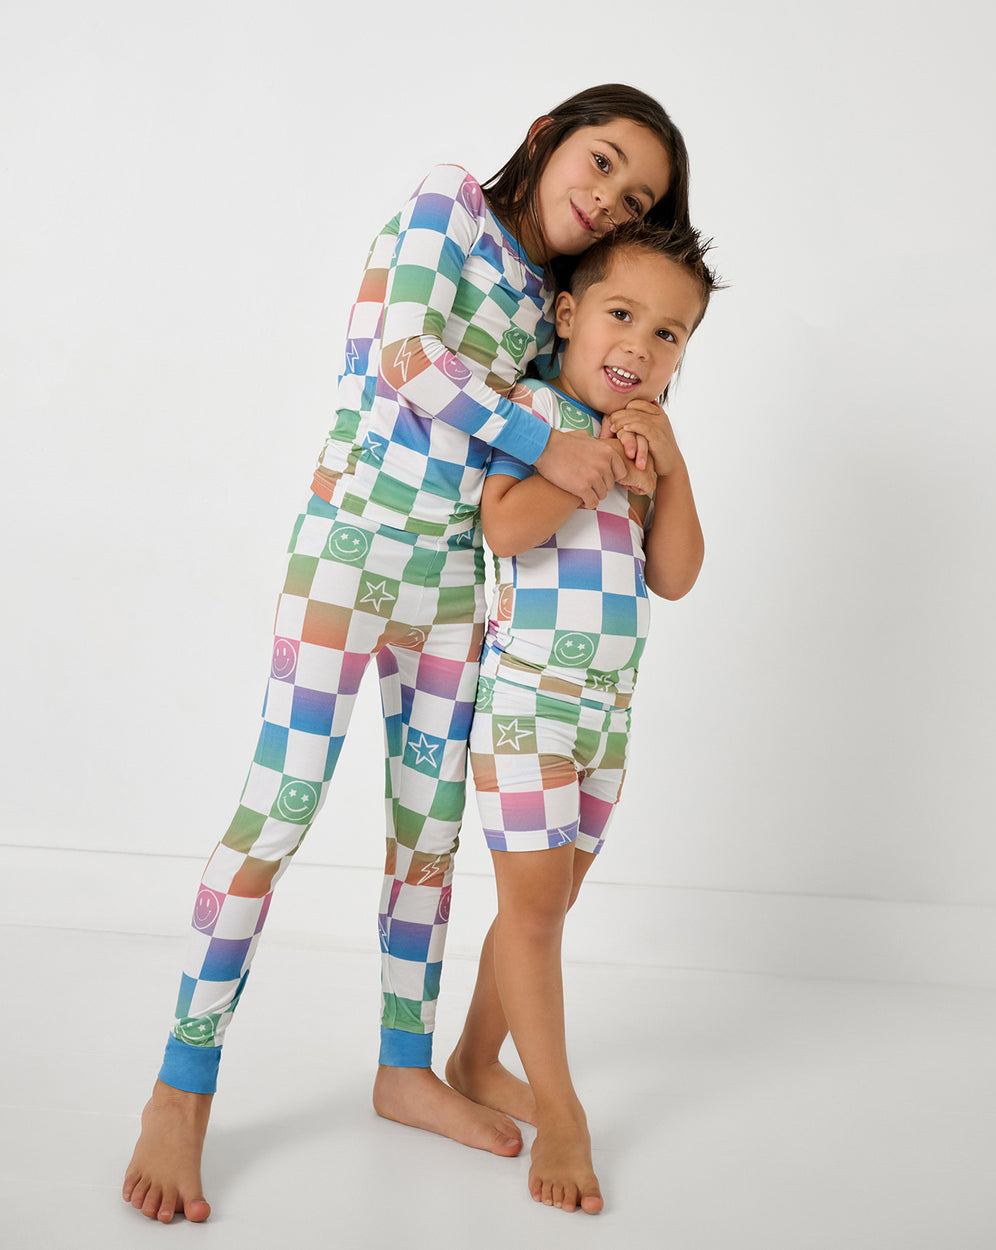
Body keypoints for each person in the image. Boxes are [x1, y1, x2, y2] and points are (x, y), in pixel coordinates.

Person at [123, 84, 691, 1223]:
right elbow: (408, 357)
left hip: (452, 592)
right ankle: (180, 1090)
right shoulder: (449, 203)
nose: (604, 198)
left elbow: (576, 427)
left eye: (632, 197)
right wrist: (553, 440)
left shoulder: (559, 303)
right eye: (599, 162)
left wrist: (616, 441)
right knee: (276, 810)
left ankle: (404, 1066)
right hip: (347, 555)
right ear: (546, 138)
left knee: (425, 841)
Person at [445, 218, 721, 1213]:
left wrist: (670, 467)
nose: (642, 346)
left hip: (606, 716)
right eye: (621, 314)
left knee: (547, 906)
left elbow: (675, 576)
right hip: (527, 704)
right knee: (530, 912)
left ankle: (477, 1058)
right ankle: (560, 1110)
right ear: (565, 314)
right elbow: (504, 529)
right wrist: (571, 473)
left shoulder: (642, 440)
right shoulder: (535, 409)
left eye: (670, 333)